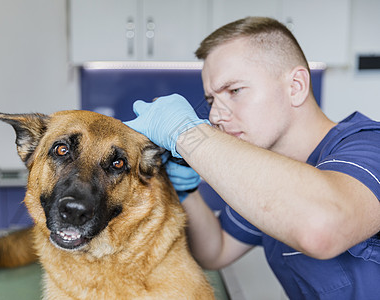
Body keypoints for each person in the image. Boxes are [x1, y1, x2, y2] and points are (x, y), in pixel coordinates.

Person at [124, 17, 380, 299]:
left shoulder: (369, 146)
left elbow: (322, 228)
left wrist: (185, 133)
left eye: (234, 91)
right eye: (211, 100)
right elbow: (216, 250)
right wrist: (187, 194)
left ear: (296, 86)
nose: (214, 116)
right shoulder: (262, 173)